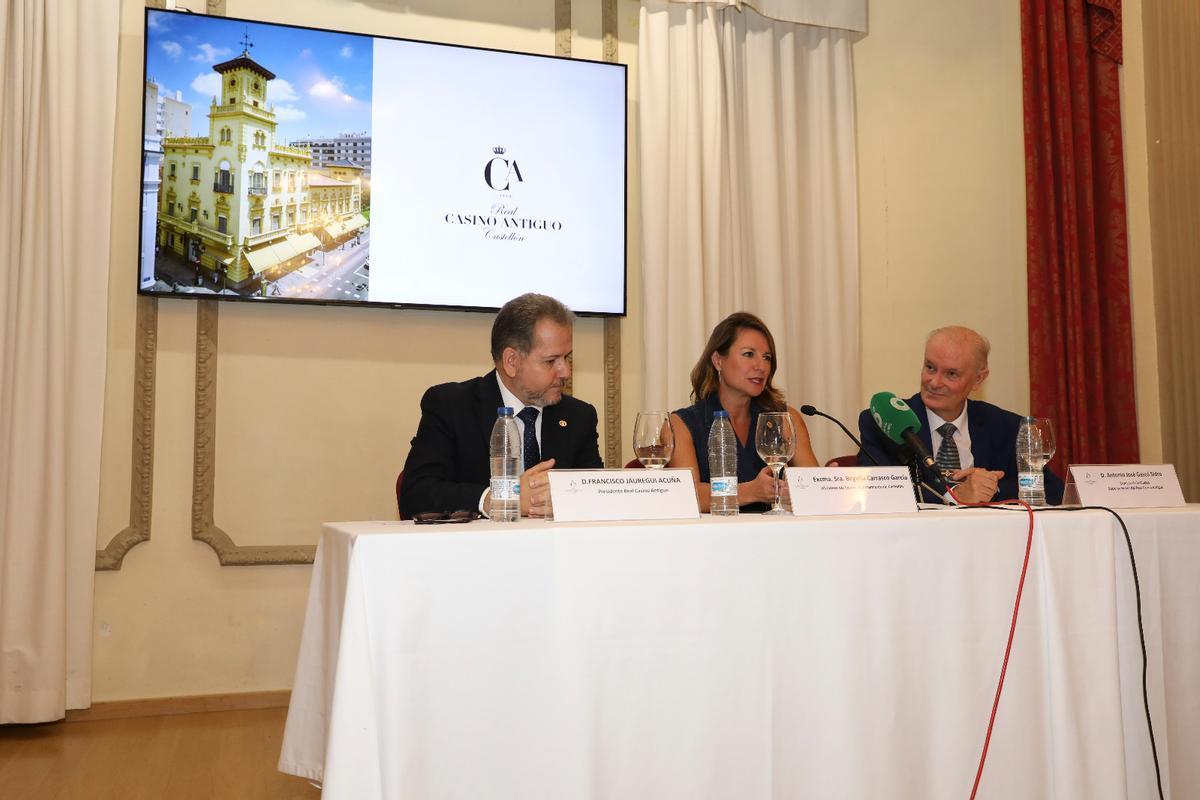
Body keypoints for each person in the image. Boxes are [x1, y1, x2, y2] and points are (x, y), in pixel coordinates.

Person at [399, 293, 603, 519]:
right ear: (512, 362)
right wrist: (501, 498)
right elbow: (415, 495)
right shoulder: (451, 406)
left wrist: (567, 500)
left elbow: (597, 495)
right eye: (551, 361)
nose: (566, 371)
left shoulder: (578, 417)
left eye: (567, 358)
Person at [856, 325, 1065, 504]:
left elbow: (1052, 491)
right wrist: (955, 495)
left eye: (951, 374)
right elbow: (878, 494)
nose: (935, 382)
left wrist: (991, 488)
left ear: (978, 380)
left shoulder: (1007, 427)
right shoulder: (887, 423)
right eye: (930, 367)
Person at [668, 312, 819, 512]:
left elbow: (812, 489)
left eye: (767, 358)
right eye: (749, 354)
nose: (761, 366)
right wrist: (750, 491)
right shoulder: (681, 424)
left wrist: (813, 490)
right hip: (712, 539)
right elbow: (687, 495)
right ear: (717, 360)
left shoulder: (785, 419)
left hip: (776, 537)